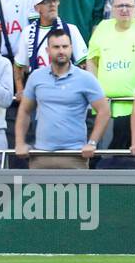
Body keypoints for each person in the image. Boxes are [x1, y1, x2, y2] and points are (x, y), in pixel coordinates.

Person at [14, 27, 110, 171]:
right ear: (47, 50)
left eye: (65, 46)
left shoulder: (85, 78)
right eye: (56, 47)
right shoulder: (36, 77)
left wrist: (92, 143)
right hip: (41, 156)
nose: (61, 51)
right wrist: (19, 143)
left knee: (78, 195)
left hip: (75, 156)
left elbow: (104, 111)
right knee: (39, 195)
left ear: (71, 48)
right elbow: (24, 111)